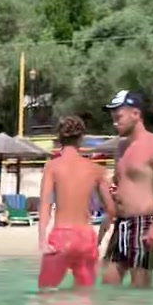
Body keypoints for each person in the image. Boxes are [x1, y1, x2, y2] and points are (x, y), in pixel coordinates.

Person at [100, 90, 153, 288]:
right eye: (113, 118)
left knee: (140, 289)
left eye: (119, 117)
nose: (114, 123)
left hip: (143, 224)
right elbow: (122, 182)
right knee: (108, 285)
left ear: (135, 114)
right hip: (121, 224)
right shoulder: (121, 148)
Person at [38, 115, 115, 290]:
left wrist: (42, 240)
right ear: (81, 138)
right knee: (84, 294)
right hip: (86, 238)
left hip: (62, 236)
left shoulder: (52, 167)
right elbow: (111, 209)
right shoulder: (96, 169)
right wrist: (99, 238)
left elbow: (45, 204)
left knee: (47, 292)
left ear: (59, 139)